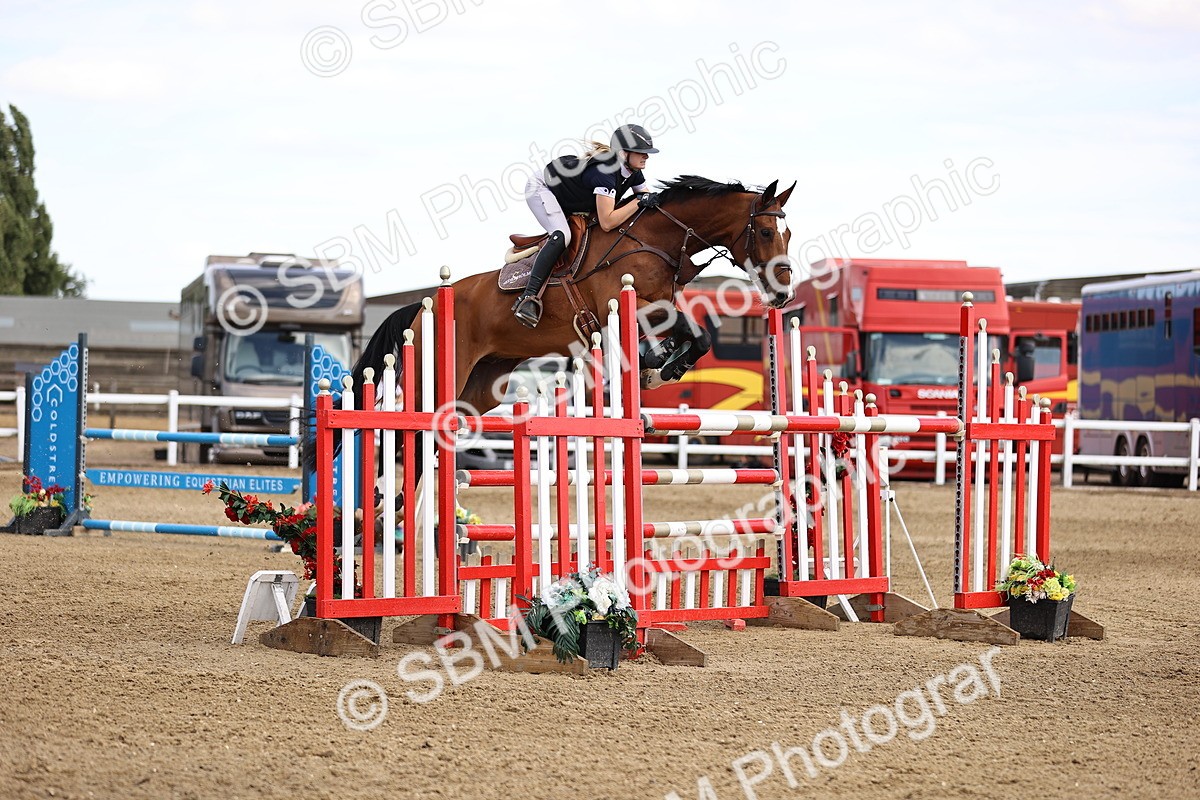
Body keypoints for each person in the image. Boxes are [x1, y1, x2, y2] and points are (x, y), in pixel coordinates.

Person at [512, 123, 662, 328]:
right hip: (541, 188)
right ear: (624, 153)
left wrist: (648, 200)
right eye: (641, 152)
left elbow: (646, 196)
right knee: (562, 234)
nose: (646, 156)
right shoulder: (605, 171)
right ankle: (528, 298)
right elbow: (608, 222)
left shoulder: (632, 170)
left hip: (571, 196)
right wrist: (638, 201)